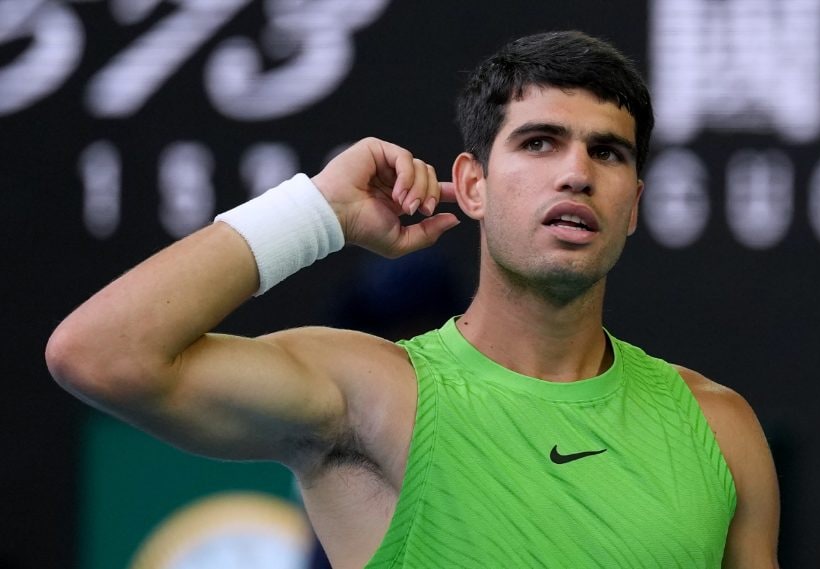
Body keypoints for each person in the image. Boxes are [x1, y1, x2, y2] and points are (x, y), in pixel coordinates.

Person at [46, 31, 779, 568]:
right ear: (473, 185)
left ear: (634, 204)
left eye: (607, 152)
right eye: (539, 143)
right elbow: (100, 354)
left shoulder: (719, 427)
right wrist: (317, 214)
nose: (576, 174)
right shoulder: (372, 393)